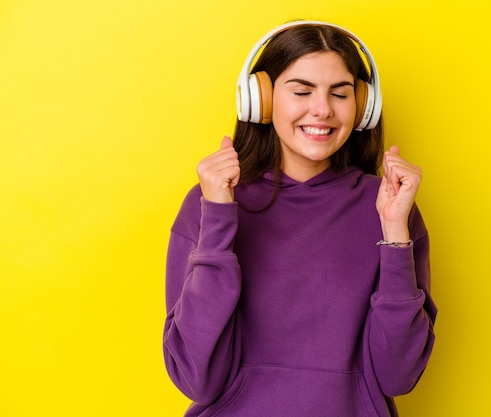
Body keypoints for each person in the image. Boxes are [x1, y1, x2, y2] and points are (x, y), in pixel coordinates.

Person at [163, 20, 437, 417]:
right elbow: (196, 377)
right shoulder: (210, 202)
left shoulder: (390, 206)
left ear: (362, 107)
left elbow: (398, 376)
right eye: (302, 91)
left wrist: (395, 235)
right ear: (262, 99)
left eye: (339, 93)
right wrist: (220, 218)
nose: (322, 109)